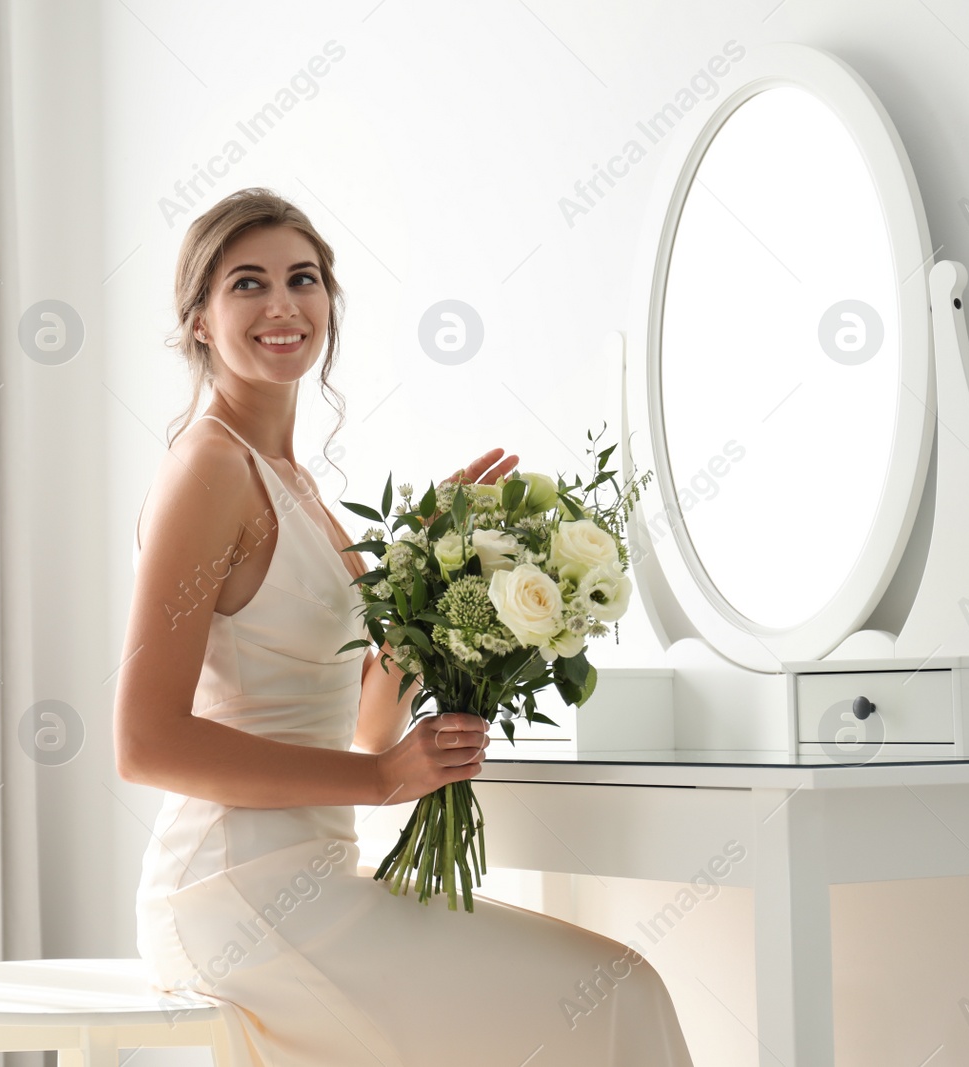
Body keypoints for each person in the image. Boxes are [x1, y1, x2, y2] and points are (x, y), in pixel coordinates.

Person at [114, 187, 696, 1066]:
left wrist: (429, 572)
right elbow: (146, 742)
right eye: (247, 284)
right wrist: (381, 778)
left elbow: (363, 723)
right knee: (616, 994)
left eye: (302, 279)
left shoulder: (298, 485)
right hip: (235, 896)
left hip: (316, 879)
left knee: (612, 992)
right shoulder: (209, 466)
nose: (282, 305)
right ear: (197, 318)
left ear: (329, 304)